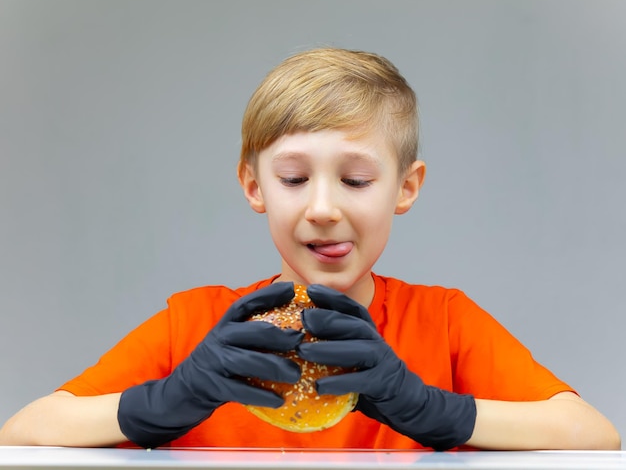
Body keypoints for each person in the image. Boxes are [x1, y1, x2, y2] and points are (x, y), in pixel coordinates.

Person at [0, 48, 620, 451]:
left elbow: (594, 437)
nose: (323, 207)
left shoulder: (444, 322)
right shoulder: (193, 324)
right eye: (294, 179)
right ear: (254, 186)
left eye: (356, 180)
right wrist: (168, 399)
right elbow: (23, 435)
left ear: (406, 188)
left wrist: (434, 410)